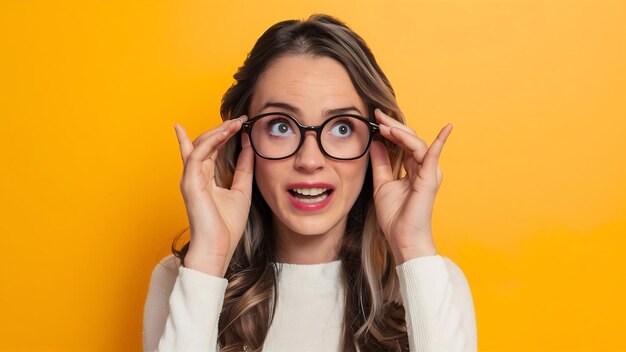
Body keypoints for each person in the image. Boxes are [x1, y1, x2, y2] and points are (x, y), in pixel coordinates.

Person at [143, 13, 477, 352]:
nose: (310, 160)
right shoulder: (183, 278)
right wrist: (208, 260)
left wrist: (412, 246)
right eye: (281, 126)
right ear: (242, 138)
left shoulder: (433, 279)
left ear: (379, 142)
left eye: (342, 127)